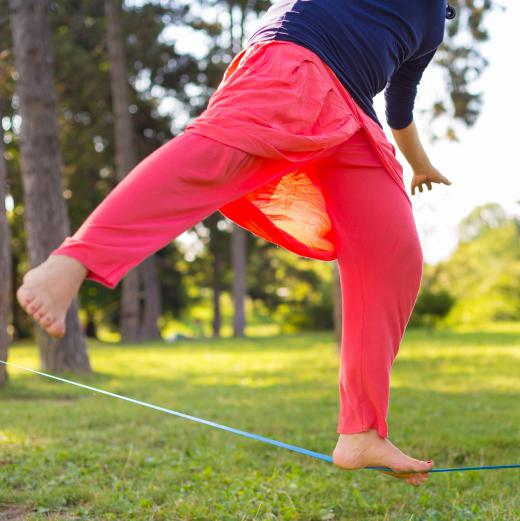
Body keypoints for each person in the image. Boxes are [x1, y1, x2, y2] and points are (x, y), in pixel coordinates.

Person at [16, 0, 454, 486]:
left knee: (393, 251)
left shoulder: (433, 21)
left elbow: (401, 104)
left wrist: (420, 164)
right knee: (213, 159)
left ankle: (362, 430)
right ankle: (71, 261)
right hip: (296, 59)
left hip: (353, 113)